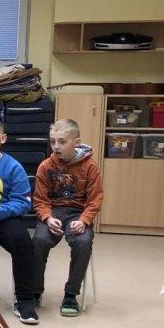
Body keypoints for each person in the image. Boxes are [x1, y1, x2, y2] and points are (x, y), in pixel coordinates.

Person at [32, 118, 103, 317]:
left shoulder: (90, 167)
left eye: (62, 142)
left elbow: (95, 199)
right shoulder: (45, 166)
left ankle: (71, 294)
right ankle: (35, 290)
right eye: (52, 141)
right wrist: (47, 218)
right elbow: (40, 200)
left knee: (83, 242)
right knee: (39, 240)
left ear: (76, 142)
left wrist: (84, 220)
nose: (56, 146)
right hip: (53, 212)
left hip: (78, 214)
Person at [0, 117, 39, 325]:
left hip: (2, 218)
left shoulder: (13, 167)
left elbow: (23, 203)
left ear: (3, 138)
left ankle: (24, 300)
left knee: (23, 243)